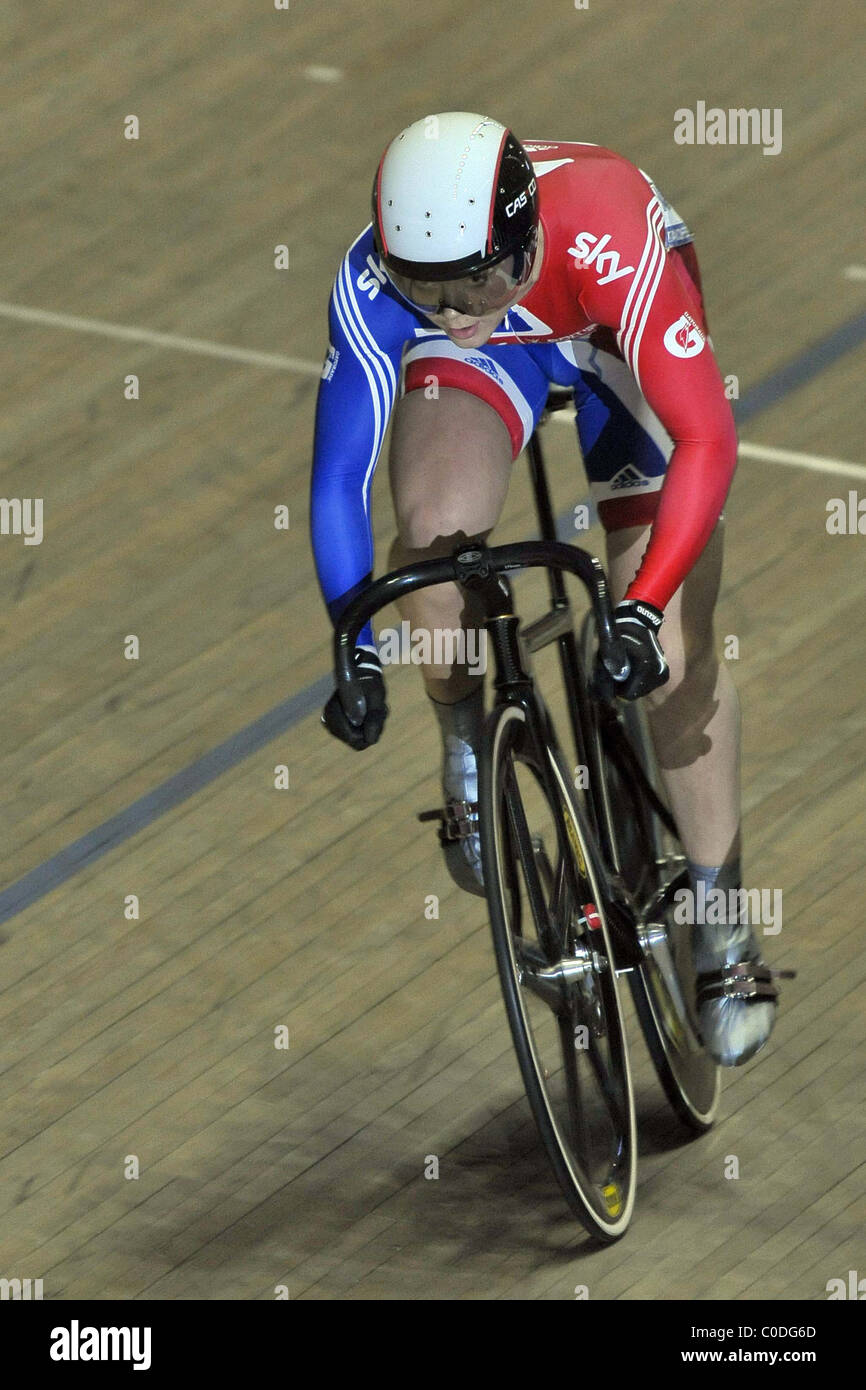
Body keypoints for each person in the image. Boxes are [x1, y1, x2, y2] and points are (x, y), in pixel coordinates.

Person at [311, 110, 781, 1066]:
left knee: (674, 665)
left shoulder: (605, 226)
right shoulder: (379, 281)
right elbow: (336, 481)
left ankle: (722, 922)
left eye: (475, 280)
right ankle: (467, 758)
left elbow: (706, 438)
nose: (449, 309)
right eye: (424, 290)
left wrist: (644, 608)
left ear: (521, 237)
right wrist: (354, 643)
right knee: (431, 558)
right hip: (497, 366)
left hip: (608, 328)